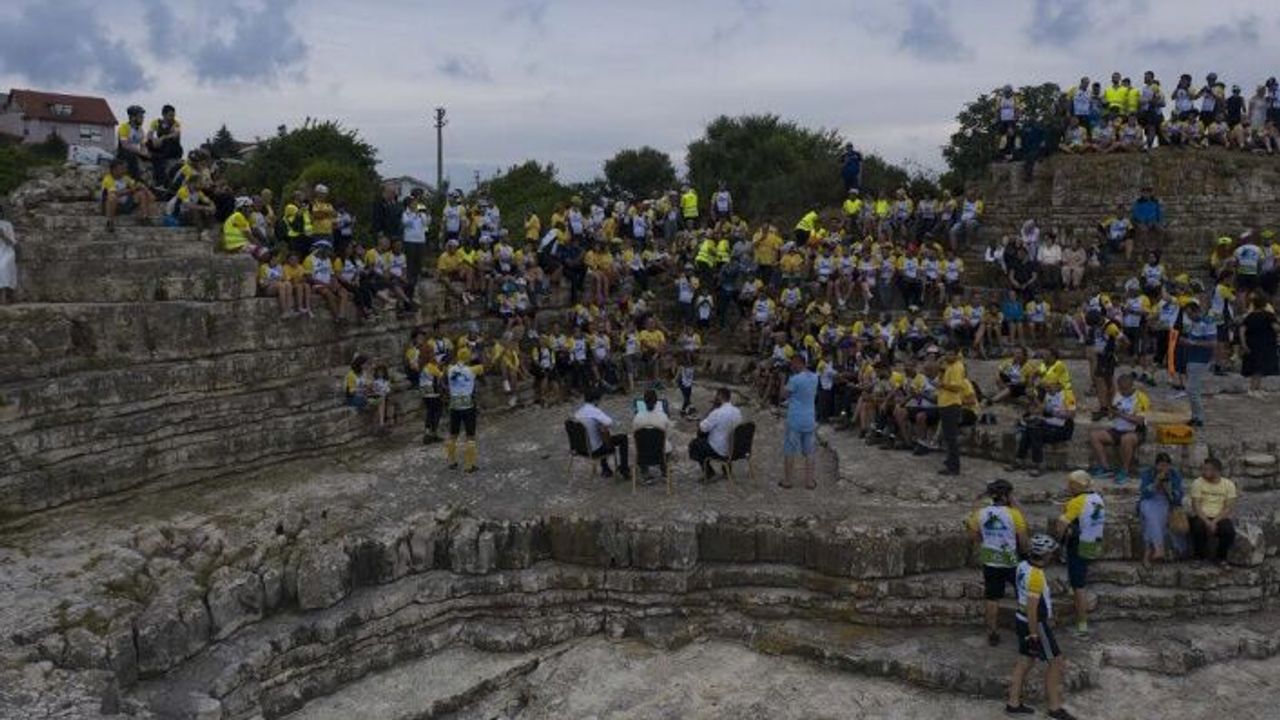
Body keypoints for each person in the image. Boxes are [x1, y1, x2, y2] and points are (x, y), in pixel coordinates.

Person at [1005, 533, 1077, 720]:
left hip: (1020, 619)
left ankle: (1013, 703)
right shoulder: (1036, 576)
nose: (1052, 556)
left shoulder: (1022, 566)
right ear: (1045, 555)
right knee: (1056, 661)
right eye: (1050, 553)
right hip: (1034, 624)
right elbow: (1032, 608)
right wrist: (1034, 634)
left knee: (1025, 661)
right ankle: (1054, 707)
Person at [967, 480, 1029, 647]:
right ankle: (1026, 629)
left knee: (992, 597)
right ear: (1005, 496)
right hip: (1011, 560)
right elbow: (1023, 539)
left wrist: (986, 540)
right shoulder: (1014, 514)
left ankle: (992, 632)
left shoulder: (980, 513)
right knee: (1022, 595)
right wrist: (1025, 554)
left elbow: (973, 536)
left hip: (990, 560)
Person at [1055, 470, 1105, 639]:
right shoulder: (1097, 498)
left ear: (1077, 485)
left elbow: (1062, 524)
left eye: (1070, 483)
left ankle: (1082, 625)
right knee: (1080, 580)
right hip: (1094, 544)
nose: (1068, 486)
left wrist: (1058, 541)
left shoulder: (1077, 502)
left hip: (1078, 546)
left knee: (1079, 587)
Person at [1008, 375, 1075, 477]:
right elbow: (1040, 409)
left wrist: (1052, 412)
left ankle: (1038, 464)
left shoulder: (1067, 395)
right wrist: (1033, 400)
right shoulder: (1048, 394)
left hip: (1062, 428)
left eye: (1049, 387)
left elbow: (1071, 414)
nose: (1047, 390)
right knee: (1030, 427)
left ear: (1058, 385)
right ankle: (1019, 459)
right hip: (1049, 424)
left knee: (1035, 432)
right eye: (1046, 388)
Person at [1088, 373, 1148, 483]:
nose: (1122, 391)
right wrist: (1111, 414)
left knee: (1126, 439)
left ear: (1131, 386)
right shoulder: (1117, 395)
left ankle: (1125, 470)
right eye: (1120, 388)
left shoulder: (1141, 398)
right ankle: (1105, 467)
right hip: (1117, 429)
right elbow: (1112, 415)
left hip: (1135, 431)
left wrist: (1120, 414)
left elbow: (1139, 420)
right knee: (1094, 436)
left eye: (1124, 389)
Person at [1137, 452, 1186, 566]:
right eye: (1161, 465)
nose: (1163, 468)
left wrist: (1169, 488)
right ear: (1156, 465)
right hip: (1149, 500)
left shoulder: (1174, 475)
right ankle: (1159, 548)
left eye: (1166, 465)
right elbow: (1144, 493)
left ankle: (1149, 554)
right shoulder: (1148, 473)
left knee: (1152, 519)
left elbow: (1178, 497)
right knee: (1150, 511)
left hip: (1166, 502)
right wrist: (1155, 483)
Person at [1188, 456, 1238, 565]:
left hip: (1220, 516)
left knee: (1228, 531)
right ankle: (1199, 557)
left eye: (1207, 469)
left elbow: (1228, 508)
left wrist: (1214, 522)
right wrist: (1207, 521)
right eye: (1204, 469)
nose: (1204, 471)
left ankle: (1221, 558)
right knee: (1197, 527)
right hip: (1202, 515)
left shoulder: (1229, 485)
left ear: (1216, 471)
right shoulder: (1198, 483)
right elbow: (1196, 505)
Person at [781, 353, 819, 490]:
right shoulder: (815, 377)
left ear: (798, 362)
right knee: (809, 451)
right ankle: (809, 482)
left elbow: (783, 395)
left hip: (795, 418)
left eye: (792, 363)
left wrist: (782, 380)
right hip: (809, 418)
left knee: (790, 449)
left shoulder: (795, 379)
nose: (791, 366)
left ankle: (788, 481)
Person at [574, 386, 630, 478]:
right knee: (622, 438)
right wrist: (618, 422)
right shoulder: (595, 411)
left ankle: (605, 468)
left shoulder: (579, 412)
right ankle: (624, 469)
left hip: (581, 448)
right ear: (596, 400)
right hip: (594, 450)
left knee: (601, 433)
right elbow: (609, 422)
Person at [445, 347, 485, 473]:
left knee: (453, 434)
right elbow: (486, 365)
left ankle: (451, 461)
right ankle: (469, 465)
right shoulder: (472, 370)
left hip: (454, 404)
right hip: (467, 404)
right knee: (470, 436)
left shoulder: (450, 369)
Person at [689, 387, 742, 481]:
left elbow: (702, 428)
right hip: (734, 448)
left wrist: (712, 409)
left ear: (720, 397)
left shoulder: (717, 412)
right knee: (723, 435)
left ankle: (709, 473)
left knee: (695, 444)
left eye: (716, 396)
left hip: (720, 450)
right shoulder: (737, 411)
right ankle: (727, 469)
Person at [1178, 299, 1215, 427]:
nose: (1189, 317)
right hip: (1191, 358)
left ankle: (1199, 417)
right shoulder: (1193, 324)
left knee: (1192, 389)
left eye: (1190, 314)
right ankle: (1195, 416)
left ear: (1197, 311)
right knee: (1192, 390)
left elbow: (1212, 343)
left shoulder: (1207, 323)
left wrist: (1191, 343)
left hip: (1200, 359)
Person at [1240, 292, 1279, 398]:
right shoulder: (1269, 316)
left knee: (1257, 367)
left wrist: (1243, 344)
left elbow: (1242, 330)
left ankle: (1258, 388)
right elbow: (1276, 328)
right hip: (1264, 344)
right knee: (1258, 368)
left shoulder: (1250, 316)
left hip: (1252, 344)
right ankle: (1252, 389)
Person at [936, 343, 967, 476]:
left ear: (956, 354)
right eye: (946, 353)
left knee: (951, 437)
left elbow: (957, 387)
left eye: (951, 354)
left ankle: (954, 467)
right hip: (944, 403)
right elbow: (941, 376)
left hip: (951, 403)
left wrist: (942, 384)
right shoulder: (949, 365)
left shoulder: (958, 367)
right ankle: (950, 461)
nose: (948, 356)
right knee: (948, 437)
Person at [101, 158, 155, 233]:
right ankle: (110, 222)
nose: (124, 171)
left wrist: (148, 192)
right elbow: (116, 193)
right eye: (121, 169)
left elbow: (137, 185)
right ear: (114, 170)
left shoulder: (126, 178)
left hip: (125, 204)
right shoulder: (108, 179)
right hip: (112, 206)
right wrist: (131, 190)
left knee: (141, 193)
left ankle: (144, 218)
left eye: (124, 169)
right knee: (112, 197)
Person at [632, 388, 674, 482]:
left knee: (640, 444)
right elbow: (669, 434)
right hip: (660, 451)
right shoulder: (663, 416)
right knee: (667, 445)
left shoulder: (637, 417)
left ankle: (645, 473)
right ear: (656, 402)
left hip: (643, 452)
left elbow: (635, 434)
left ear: (644, 402)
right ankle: (664, 472)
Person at [145, 104, 182, 185]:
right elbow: (149, 134)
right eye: (170, 115)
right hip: (161, 146)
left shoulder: (176, 123)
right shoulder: (156, 122)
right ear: (164, 115)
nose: (172, 117)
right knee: (148, 143)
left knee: (168, 141)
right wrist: (153, 140)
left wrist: (163, 137)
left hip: (173, 148)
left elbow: (176, 134)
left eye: (173, 115)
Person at [115, 105, 150, 181]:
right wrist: (140, 152)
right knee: (131, 156)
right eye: (140, 116)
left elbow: (143, 145)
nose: (143, 118)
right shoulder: (124, 127)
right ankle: (135, 178)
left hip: (136, 152)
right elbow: (125, 145)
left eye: (142, 116)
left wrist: (146, 153)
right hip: (123, 153)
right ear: (133, 117)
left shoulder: (141, 130)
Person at [0, 208, 17, 304]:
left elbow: (12, 242)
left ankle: (4, 298)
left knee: (2, 267)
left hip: (6, 252)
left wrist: (3, 235)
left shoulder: (7, 225)